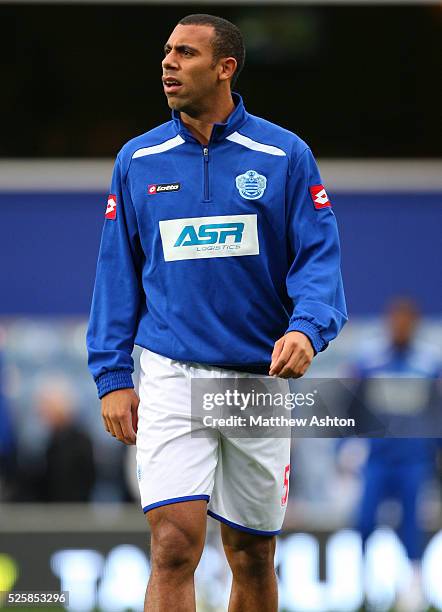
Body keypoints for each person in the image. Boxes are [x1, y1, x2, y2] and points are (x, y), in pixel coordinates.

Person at [87, 14, 347, 611]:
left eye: (185, 53)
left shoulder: (284, 155)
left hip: (258, 378)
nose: (167, 63)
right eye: (166, 52)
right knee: (174, 545)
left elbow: (319, 258)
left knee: (252, 556)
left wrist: (307, 329)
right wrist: (112, 377)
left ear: (225, 67)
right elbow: (115, 275)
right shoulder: (138, 160)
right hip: (171, 374)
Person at [351, 298, 441, 612]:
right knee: (363, 521)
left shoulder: (429, 364)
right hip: (378, 457)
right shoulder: (369, 360)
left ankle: (412, 590)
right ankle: (363, 587)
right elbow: (353, 405)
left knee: (411, 523)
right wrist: (348, 445)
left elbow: (436, 410)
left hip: (413, 459)